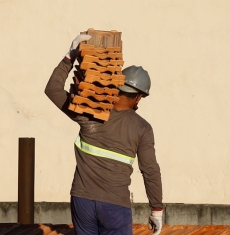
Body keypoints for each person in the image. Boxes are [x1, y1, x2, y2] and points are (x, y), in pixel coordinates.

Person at [45, 34, 163, 235]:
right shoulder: (142, 128)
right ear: (139, 96)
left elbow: (52, 89)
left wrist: (69, 56)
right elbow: (150, 171)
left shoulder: (88, 111)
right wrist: (156, 210)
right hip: (115, 206)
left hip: (82, 202)